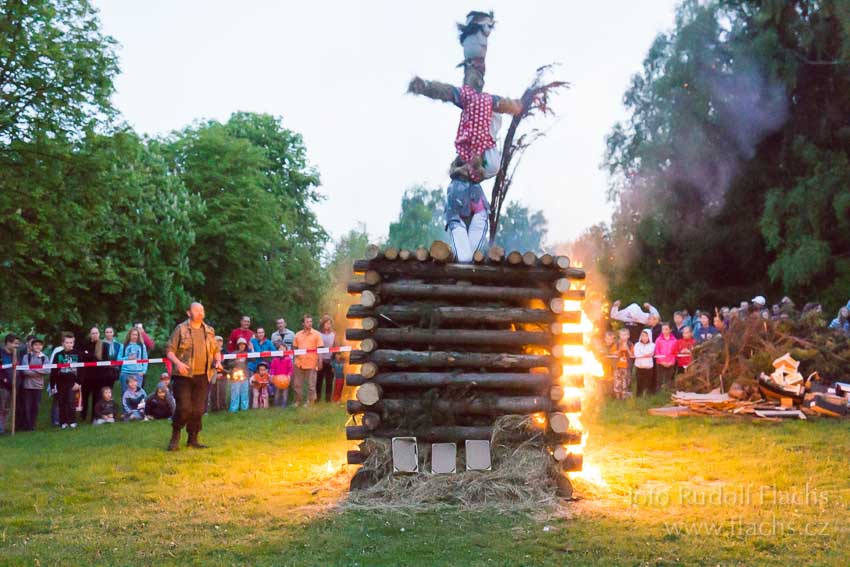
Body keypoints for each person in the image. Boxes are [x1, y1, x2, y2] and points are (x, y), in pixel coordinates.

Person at [165, 302, 222, 451]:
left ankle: (193, 439)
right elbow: (169, 351)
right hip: (183, 376)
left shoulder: (209, 331)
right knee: (184, 407)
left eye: (202, 310)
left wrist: (218, 361)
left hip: (203, 376)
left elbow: (216, 350)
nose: (200, 313)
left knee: (198, 410)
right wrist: (178, 364)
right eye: (196, 310)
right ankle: (175, 434)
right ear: (188, 313)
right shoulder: (181, 329)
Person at [50, 332, 81, 430]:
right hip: (60, 382)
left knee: (71, 402)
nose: (69, 344)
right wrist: (52, 385)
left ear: (74, 343)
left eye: (71, 342)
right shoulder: (58, 355)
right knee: (62, 402)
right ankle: (63, 422)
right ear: (63, 343)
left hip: (73, 383)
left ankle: (72, 421)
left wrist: (79, 382)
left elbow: (82, 370)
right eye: (67, 342)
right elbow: (53, 371)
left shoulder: (78, 354)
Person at [19, 338, 49, 431]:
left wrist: (33, 369)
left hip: (39, 386)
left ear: (42, 346)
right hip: (27, 386)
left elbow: (47, 370)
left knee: (35, 407)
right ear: (32, 346)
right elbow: (25, 371)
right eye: (35, 345)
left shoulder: (45, 357)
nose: (38, 347)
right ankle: (26, 426)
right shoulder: (26, 357)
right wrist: (40, 370)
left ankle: (32, 425)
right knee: (26, 406)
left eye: (40, 345)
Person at [292, 315, 323, 407]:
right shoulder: (297, 334)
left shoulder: (316, 334)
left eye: (311, 321)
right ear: (303, 323)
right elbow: (294, 348)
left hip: (312, 362)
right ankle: (297, 401)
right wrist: (295, 359)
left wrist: (320, 360)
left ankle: (310, 402)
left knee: (311, 385)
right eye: (307, 322)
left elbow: (320, 349)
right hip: (299, 363)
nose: (310, 323)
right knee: (297, 384)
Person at [0, 334, 21, 434]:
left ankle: (3, 428)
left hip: (13, 385)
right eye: (15, 344)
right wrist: (4, 380)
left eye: (18, 344)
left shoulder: (16, 354)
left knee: (7, 408)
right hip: (2, 386)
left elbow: (18, 368)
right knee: (1, 407)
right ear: (8, 343)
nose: (17, 346)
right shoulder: (1, 353)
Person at [249, 327, 274, 407]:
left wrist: (268, 352)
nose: (260, 334)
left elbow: (275, 352)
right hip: (254, 366)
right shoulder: (252, 341)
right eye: (259, 332)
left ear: (264, 333)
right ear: (256, 334)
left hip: (264, 368)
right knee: (253, 386)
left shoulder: (268, 342)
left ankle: (266, 404)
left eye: (262, 332)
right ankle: (253, 404)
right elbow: (250, 354)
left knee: (265, 387)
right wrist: (260, 352)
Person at [316, 315, 338, 403]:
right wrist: (319, 360)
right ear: (323, 324)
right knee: (319, 380)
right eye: (327, 323)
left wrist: (334, 360)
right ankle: (317, 398)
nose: (329, 325)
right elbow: (318, 347)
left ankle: (328, 399)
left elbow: (335, 347)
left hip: (330, 360)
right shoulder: (318, 334)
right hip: (320, 359)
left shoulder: (333, 334)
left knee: (329, 380)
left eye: (330, 323)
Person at [120, 328, 149, 395]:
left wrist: (143, 371)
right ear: (129, 335)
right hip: (125, 373)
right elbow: (118, 359)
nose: (135, 336)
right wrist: (128, 358)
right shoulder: (123, 346)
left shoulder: (142, 346)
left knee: (137, 394)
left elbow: (145, 360)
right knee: (126, 394)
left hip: (138, 373)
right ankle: (126, 406)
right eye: (133, 334)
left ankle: (138, 406)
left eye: (136, 335)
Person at [227, 338, 251, 413]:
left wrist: (251, 349)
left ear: (245, 345)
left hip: (245, 375)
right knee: (235, 393)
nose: (242, 346)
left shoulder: (247, 353)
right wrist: (235, 362)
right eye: (240, 344)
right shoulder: (234, 353)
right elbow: (228, 364)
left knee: (245, 392)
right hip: (236, 376)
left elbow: (254, 359)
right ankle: (233, 409)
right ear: (238, 345)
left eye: (243, 344)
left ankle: (245, 408)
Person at [654, 323, 678, 391]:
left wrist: (671, 362)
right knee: (659, 378)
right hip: (660, 362)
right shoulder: (658, 340)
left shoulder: (674, 340)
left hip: (670, 362)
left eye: (666, 329)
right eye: (663, 329)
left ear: (670, 330)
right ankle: (658, 393)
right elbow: (657, 351)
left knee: (669, 378)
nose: (664, 331)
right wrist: (662, 361)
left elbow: (675, 352)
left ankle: (667, 393)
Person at [633, 329, 655, 396]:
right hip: (639, 366)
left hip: (648, 367)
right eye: (642, 335)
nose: (644, 337)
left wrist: (642, 354)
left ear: (649, 336)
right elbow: (636, 354)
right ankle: (638, 396)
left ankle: (647, 395)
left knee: (648, 382)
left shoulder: (652, 345)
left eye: (646, 336)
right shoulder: (637, 344)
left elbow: (650, 352)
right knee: (639, 382)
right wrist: (646, 355)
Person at [208, 336, 228, 412]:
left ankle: (223, 407)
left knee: (223, 391)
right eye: (217, 341)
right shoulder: (210, 351)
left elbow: (228, 364)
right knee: (213, 391)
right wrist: (216, 373)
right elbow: (209, 363)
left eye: (220, 341)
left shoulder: (225, 352)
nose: (219, 343)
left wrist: (223, 372)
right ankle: (214, 408)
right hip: (213, 373)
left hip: (223, 374)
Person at [613, 329, 633, 399]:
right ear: (619, 336)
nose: (623, 337)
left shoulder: (630, 344)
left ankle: (624, 397)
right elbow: (614, 354)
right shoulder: (617, 344)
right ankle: (618, 397)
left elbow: (632, 355)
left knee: (626, 381)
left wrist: (627, 348)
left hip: (626, 366)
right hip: (618, 366)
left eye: (625, 335)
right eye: (622, 335)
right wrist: (619, 349)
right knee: (617, 381)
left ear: (628, 336)